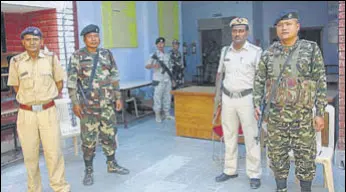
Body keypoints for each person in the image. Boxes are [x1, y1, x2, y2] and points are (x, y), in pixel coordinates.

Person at [253, 10, 327, 192]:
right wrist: (256, 103)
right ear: (276, 29)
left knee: (305, 157)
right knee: (277, 156)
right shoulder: (269, 52)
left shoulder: (310, 49)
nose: (284, 28)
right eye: (280, 25)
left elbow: (320, 81)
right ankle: (281, 189)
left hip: (302, 117)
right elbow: (259, 79)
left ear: (297, 27)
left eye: (288, 24)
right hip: (276, 117)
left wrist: (319, 113)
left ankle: (306, 189)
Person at [7, 26, 70, 192]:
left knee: (54, 152)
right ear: (23, 42)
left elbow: (59, 82)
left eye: (35, 39)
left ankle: (60, 187)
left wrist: (45, 98)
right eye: (28, 39)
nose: (32, 42)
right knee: (30, 155)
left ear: (42, 41)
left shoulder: (50, 58)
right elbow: (16, 86)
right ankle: (34, 189)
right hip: (26, 114)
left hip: (48, 111)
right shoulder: (16, 61)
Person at [67, 24, 129, 186]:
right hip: (88, 106)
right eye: (90, 37)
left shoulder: (107, 54)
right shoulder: (77, 56)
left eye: (96, 36)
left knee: (109, 135)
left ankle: (112, 164)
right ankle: (88, 170)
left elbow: (114, 76)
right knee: (88, 140)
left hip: (107, 104)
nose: (93, 39)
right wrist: (75, 103)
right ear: (84, 39)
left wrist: (117, 97)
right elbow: (72, 82)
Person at [213, 17, 262, 189]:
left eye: (241, 30)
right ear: (231, 32)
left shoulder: (256, 51)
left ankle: (254, 173)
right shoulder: (225, 51)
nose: (237, 34)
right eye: (235, 30)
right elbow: (220, 75)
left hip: (247, 99)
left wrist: (258, 103)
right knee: (229, 135)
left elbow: (260, 80)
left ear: (247, 32)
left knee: (251, 137)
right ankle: (230, 169)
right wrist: (217, 100)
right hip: (227, 99)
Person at [145, 37, 175, 123]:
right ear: (156, 45)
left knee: (167, 97)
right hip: (158, 80)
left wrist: (172, 79)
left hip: (167, 79)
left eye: (162, 43)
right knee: (157, 98)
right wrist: (154, 66)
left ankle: (167, 114)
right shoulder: (153, 55)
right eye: (159, 44)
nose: (161, 45)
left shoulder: (167, 55)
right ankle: (157, 115)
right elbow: (147, 66)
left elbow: (170, 68)